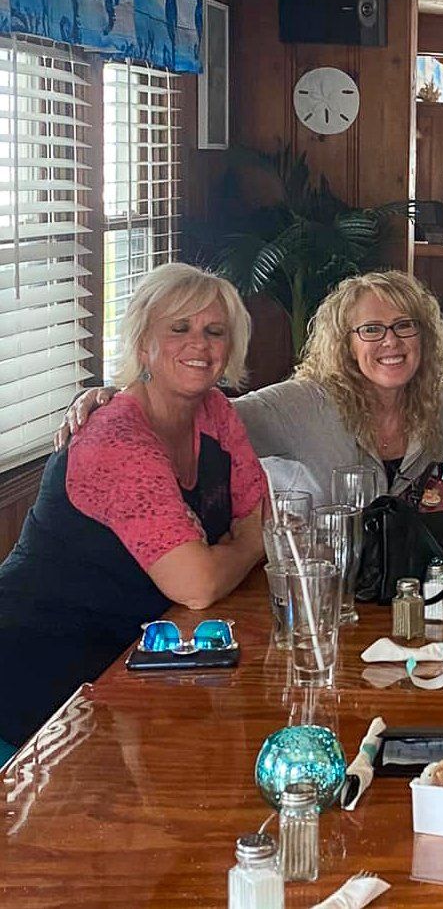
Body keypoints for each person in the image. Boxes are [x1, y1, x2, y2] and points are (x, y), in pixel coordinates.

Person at [0, 264, 267, 761]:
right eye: (179, 329)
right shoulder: (115, 438)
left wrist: (242, 542)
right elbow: (198, 584)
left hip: (117, 671)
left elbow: (260, 513)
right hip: (28, 680)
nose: (200, 345)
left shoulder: (215, 413)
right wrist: (247, 545)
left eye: (215, 332)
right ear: (144, 341)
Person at [57, 271, 443, 503]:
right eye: (371, 330)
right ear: (345, 343)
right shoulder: (303, 403)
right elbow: (199, 413)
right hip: (308, 590)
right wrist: (116, 398)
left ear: (425, 337)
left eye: (405, 326)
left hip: (402, 595)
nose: (391, 342)